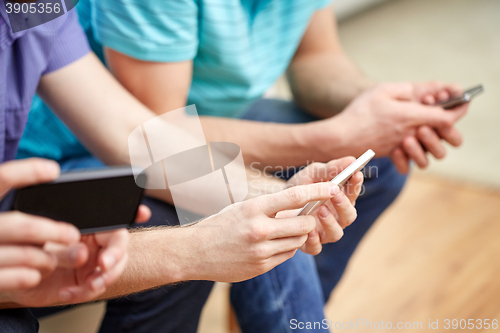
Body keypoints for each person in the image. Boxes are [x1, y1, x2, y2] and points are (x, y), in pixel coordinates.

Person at [17, 0, 469, 332]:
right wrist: (332, 139)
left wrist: (268, 195)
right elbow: (158, 125)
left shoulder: (42, 14)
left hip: (157, 137)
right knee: (201, 217)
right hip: (67, 157)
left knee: (298, 202)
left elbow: (133, 133)